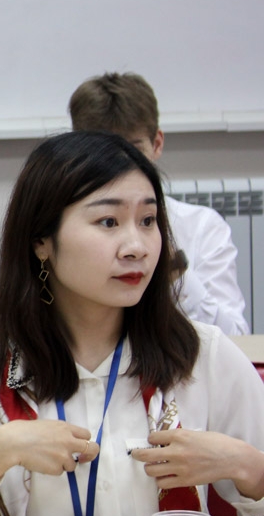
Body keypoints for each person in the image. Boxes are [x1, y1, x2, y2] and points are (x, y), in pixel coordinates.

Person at [0, 131, 264, 516]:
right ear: (42, 240)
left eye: (148, 221)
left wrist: (246, 467)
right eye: (108, 222)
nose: (137, 246)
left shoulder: (203, 354)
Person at [69, 72, 249, 335]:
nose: (119, 166)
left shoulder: (202, 226)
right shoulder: (59, 227)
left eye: (133, 148)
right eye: (102, 150)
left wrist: (176, 274)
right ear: (75, 151)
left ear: (157, 143)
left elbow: (236, 338)